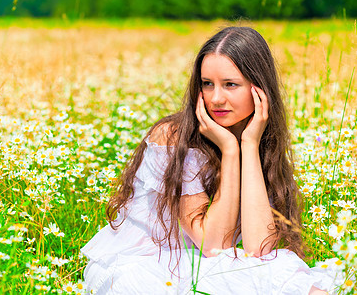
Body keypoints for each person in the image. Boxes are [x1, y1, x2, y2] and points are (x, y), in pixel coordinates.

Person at [81, 27, 339, 294]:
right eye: (207, 84)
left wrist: (248, 145)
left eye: (230, 84)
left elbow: (260, 248)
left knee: (276, 270)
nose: (216, 98)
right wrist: (229, 149)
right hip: (142, 267)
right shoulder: (174, 137)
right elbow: (215, 244)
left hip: (201, 264)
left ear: (259, 89)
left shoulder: (261, 141)